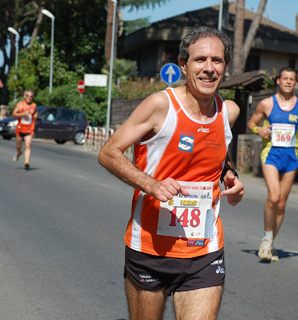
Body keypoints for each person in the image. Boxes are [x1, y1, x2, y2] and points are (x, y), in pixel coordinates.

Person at [98, 26, 244, 320]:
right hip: (150, 247)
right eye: (200, 60)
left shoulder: (228, 112)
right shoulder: (160, 106)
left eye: (216, 60)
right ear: (183, 64)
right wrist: (150, 184)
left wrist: (229, 174)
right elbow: (108, 152)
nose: (209, 68)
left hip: (204, 249)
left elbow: (216, 153)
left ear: (225, 66)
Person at [247, 67, 298, 262]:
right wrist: (258, 130)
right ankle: (267, 240)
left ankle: (269, 243)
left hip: (291, 157)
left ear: (295, 83)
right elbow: (252, 123)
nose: (288, 82)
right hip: (272, 155)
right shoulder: (267, 103)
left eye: (292, 79)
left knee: (282, 204)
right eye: (285, 78)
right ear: (278, 81)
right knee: (274, 197)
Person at [11, 90, 38, 170]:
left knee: (27, 145)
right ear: (24, 96)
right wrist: (23, 114)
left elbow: (35, 113)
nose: (29, 98)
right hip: (20, 128)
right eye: (28, 96)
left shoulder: (34, 105)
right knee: (19, 145)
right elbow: (13, 114)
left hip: (29, 128)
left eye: (31, 96)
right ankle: (19, 152)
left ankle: (26, 162)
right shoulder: (20, 105)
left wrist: (35, 116)